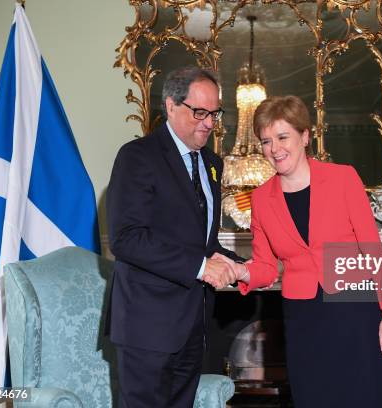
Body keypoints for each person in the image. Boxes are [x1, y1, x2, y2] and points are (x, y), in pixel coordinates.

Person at [214, 95, 382, 407]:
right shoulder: (260, 199)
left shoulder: (343, 178)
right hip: (304, 318)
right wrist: (239, 271)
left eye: (283, 137)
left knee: (365, 397)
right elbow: (265, 266)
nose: (275, 149)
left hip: (353, 310)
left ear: (304, 136)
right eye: (266, 141)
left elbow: (372, 249)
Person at [106, 66, 244, 408]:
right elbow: (126, 238)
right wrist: (200, 267)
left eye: (214, 113)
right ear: (170, 105)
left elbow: (205, 246)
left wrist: (247, 266)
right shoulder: (137, 156)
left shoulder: (212, 162)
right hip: (146, 328)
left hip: (193, 328)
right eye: (199, 112)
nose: (209, 123)